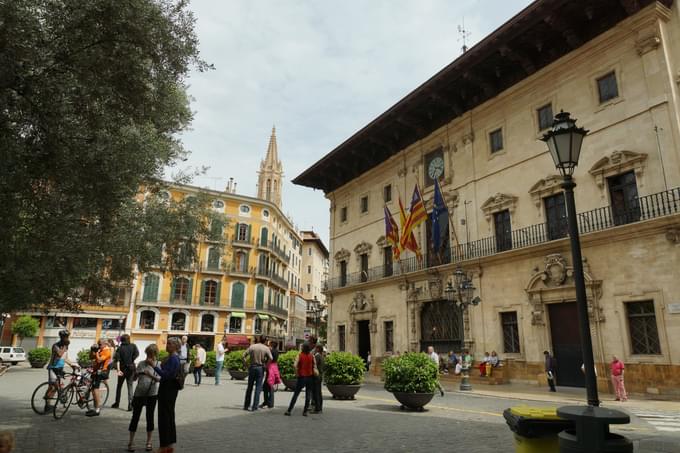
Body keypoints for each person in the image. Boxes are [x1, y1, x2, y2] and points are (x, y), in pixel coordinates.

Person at [127, 344, 160, 453]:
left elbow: (159, 379)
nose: (148, 357)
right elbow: (135, 379)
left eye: (150, 354)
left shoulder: (158, 365)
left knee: (149, 417)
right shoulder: (141, 363)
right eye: (147, 354)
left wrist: (150, 374)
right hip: (139, 394)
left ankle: (149, 442)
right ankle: (131, 442)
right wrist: (135, 373)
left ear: (155, 354)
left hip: (152, 394)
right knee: (135, 417)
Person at [153, 337, 181, 453]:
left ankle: (164, 446)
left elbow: (166, 375)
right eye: (167, 343)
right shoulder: (172, 357)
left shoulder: (174, 358)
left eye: (169, 344)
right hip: (169, 390)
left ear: (175, 346)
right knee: (169, 416)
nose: (167, 345)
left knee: (164, 417)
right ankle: (169, 445)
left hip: (168, 390)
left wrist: (153, 366)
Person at [45, 330, 79, 410]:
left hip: (60, 368)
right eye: (64, 337)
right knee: (52, 387)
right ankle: (47, 404)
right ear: (61, 337)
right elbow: (60, 354)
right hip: (53, 368)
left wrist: (72, 365)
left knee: (56, 388)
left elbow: (65, 357)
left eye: (67, 337)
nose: (66, 338)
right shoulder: (55, 345)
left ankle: (50, 403)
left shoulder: (65, 346)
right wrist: (65, 346)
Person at [284, 342, 318, 416]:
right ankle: (305, 411)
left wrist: (297, 374)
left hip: (301, 377)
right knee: (308, 394)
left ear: (303, 348)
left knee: (296, 394)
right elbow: (315, 366)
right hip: (310, 377)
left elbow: (294, 365)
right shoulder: (312, 356)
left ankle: (289, 410)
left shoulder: (299, 355)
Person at [243, 335, 273, 412]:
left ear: (259, 339)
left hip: (252, 367)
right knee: (258, 387)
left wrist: (246, 364)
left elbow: (243, 355)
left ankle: (246, 405)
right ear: (265, 341)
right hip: (260, 368)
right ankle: (255, 406)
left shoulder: (252, 347)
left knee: (249, 387)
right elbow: (271, 358)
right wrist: (266, 365)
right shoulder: (266, 348)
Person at [112, 334, 139, 411]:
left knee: (119, 386)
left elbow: (117, 360)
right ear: (129, 339)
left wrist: (118, 370)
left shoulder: (120, 348)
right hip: (131, 368)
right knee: (130, 386)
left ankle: (117, 403)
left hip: (122, 369)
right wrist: (132, 359)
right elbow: (137, 354)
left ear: (121, 340)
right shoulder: (133, 346)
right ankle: (130, 404)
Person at [86, 338, 112, 416]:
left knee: (95, 389)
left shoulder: (107, 351)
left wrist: (96, 352)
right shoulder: (100, 350)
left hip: (102, 372)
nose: (98, 346)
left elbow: (100, 360)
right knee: (93, 390)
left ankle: (97, 410)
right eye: (98, 344)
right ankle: (95, 408)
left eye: (100, 344)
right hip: (95, 372)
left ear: (105, 344)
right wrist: (92, 351)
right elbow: (91, 357)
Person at [261, 341, 281, 409]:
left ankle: (268, 403)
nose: (269, 345)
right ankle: (269, 403)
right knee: (270, 385)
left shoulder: (270, 351)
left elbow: (267, 359)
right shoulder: (277, 351)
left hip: (270, 368)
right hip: (274, 368)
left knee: (267, 386)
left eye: (270, 344)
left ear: (272, 345)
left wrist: (265, 365)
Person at [312, 344, 325, 414]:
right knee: (319, 392)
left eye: (315, 348)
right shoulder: (321, 356)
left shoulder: (317, 356)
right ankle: (320, 408)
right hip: (320, 376)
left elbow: (313, 365)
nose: (314, 349)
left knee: (316, 393)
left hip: (316, 376)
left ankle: (317, 408)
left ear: (318, 349)